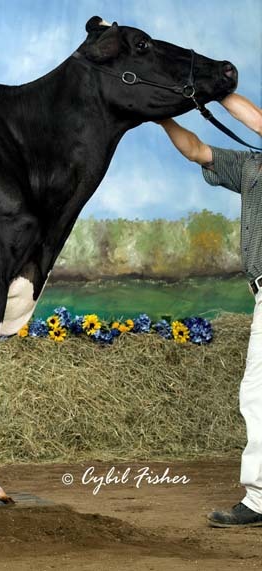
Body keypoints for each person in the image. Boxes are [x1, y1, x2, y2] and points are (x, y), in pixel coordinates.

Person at [157, 92, 262, 527]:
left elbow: (260, 122)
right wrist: (162, 116)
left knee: (257, 393)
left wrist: (219, 89)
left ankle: (260, 499)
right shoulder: (252, 166)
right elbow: (197, 150)